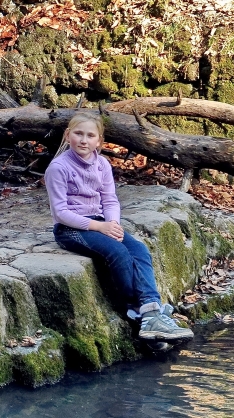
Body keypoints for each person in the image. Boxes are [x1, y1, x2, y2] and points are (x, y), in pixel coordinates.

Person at [45, 112, 193, 342]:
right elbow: (60, 213)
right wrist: (99, 227)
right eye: (78, 133)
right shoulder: (58, 168)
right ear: (67, 135)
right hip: (71, 229)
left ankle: (150, 312)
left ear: (99, 141)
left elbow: (110, 199)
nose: (84, 140)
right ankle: (138, 312)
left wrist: (112, 223)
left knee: (140, 250)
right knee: (118, 253)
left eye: (90, 135)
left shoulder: (102, 164)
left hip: (102, 222)